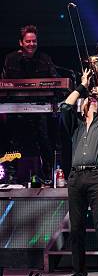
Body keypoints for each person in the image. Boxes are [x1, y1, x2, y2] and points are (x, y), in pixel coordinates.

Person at [60, 68, 98, 276]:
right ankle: (79, 273)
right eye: (89, 99)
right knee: (76, 228)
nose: (92, 101)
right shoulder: (74, 126)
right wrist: (82, 87)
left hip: (97, 176)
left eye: (94, 100)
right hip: (76, 178)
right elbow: (65, 106)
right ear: (83, 105)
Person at [1, 25, 58, 183]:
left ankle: (47, 175)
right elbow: (4, 84)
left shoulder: (44, 59)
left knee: (44, 140)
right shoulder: (11, 59)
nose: (32, 44)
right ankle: (9, 175)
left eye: (34, 41)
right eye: (28, 41)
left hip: (39, 108)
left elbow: (56, 81)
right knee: (12, 142)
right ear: (21, 43)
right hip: (15, 108)